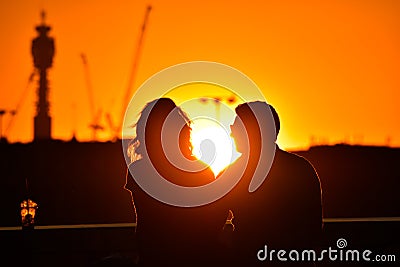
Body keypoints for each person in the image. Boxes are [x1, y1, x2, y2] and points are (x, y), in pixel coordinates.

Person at [124, 98, 226, 267]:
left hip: (155, 256)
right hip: (197, 255)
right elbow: (209, 220)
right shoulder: (200, 171)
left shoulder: (139, 170)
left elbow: (147, 222)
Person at [218, 101, 323, 266]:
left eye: (236, 127)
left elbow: (213, 219)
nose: (231, 133)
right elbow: (313, 228)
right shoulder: (302, 169)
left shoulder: (233, 174)